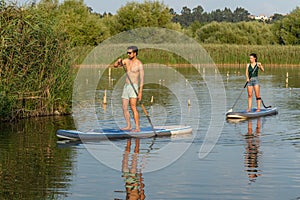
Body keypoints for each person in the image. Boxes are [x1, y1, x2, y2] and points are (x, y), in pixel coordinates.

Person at [114, 46, 144, 132]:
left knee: (133, 107)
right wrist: (118, 61)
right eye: (127, 53)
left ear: (135, 53)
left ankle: (137, 127)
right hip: (126, 86)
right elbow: (115, 66)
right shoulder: (126, 61)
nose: (128, 54)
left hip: (134, 86)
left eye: (130, 53)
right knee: (124, 107)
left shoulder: (139, 64)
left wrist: (140, 92)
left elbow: (142, 79)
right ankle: (128, 126)